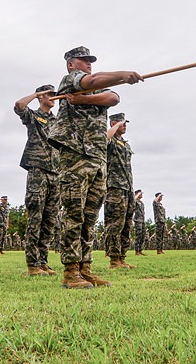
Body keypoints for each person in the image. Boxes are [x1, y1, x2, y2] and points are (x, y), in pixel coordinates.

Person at [47, 46, 142, 289]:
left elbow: (113, 98)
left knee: (90, 217)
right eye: (84, 60)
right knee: (74, 214)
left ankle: (85, 269)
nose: (89, 63)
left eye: (91, 61)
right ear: (71, 64)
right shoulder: (71, 80)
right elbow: (96, 80)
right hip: (76, 153)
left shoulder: (91, 88)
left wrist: (84, 100)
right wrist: (123, 74)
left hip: (97, 156)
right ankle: (70, 272)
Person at [14, 85, 60, 276]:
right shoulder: (33, 116)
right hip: (38, 171)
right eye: (49, 94)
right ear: (41, 97)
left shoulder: (57, 121)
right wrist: (35, 95)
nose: (53, 98)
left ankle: (43, 262)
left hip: (56, 172)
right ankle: (33, 264)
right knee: (36, 218)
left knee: (49, 220)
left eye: (54, 95)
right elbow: (19, 106)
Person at [104, 113, 136, 269]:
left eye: (125, 123)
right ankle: (114, 259)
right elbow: (105, 138)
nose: (125, 125)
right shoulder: (111, 140)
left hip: (128, 187)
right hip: (115, 187)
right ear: (114, 123)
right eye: (122, 122)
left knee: (126, 224)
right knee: (115, 224)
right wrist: (114, 126)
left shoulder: (126, 144)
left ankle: (122, 257)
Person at [133, 190, 147, 256]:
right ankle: (137, 251)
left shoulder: (141, 203)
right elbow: (133, 200)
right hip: (138, 220)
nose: (142, 195)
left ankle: (140, 250)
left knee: (143, 235)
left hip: (142, 220)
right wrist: (136, 195)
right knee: (138, 235)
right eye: (140, 194)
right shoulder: (135, 201)